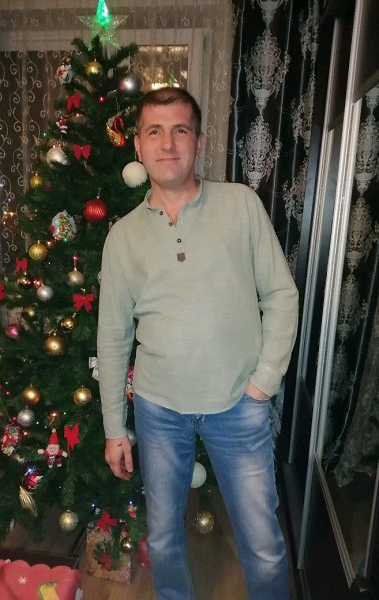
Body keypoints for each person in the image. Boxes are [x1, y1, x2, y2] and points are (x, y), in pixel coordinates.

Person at [97, 87, 299, 600]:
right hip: (158, 410)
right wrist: (115, 428)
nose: (168, 143)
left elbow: (281, 294)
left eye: (180, 130)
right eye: (154, 132)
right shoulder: (122, 237)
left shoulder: (241, 205)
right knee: (165, 539)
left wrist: (263, 383)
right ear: (138, 146)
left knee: (264, 545)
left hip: (239, 406)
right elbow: (114, 335)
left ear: (199, 142)